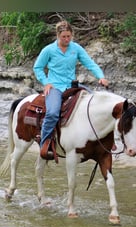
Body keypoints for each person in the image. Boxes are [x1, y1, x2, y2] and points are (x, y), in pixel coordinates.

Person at [33, 20, 109, 159]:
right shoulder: (48, 50)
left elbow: (90, 64)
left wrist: (101, 77)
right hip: (55, 87)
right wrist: (46, 82)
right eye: (64, 37)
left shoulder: (76, 48)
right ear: (58, 35)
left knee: (95, 102)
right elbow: (37, 67)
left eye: (69, 36)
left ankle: (102, 140)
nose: (67, 39)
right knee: (53, 113)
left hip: (72, 85)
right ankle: (45, 145)